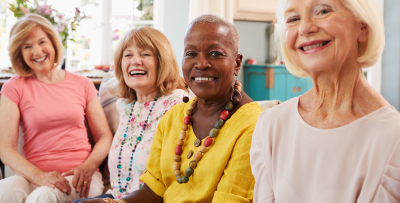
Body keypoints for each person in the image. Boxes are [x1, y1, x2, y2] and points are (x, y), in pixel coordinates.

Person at [250, 0, 400, 202]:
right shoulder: (270, 126)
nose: (306, 28)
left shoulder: (393, 139)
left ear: (362, 27)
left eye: (322, 11)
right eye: (293, 18)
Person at [78, 14, 263, 203]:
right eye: (191, 54)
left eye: (215, 54)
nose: (201, 64)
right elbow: (153, 189)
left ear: (237, 63)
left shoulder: (253, 125)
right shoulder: (175, 117)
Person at [0, 13, 113, 203]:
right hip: (34, 177)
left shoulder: (82, 83)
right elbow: (5, 149)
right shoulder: (13, 87)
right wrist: (40, 177)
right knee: (5, 190)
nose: (37, 51)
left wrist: (88, 166)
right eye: (27, 46)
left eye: (42, 42)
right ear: (19, 53)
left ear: (53, 43)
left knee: (42, 197)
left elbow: (104, 136)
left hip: (80, 178)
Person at [74, 26, 186, 203]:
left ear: (162, 61)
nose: (136, 61)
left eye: (145, 54)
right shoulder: (125, 105)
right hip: (118, 198)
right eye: (128, 55)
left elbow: (170, 181)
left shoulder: (178, 103)